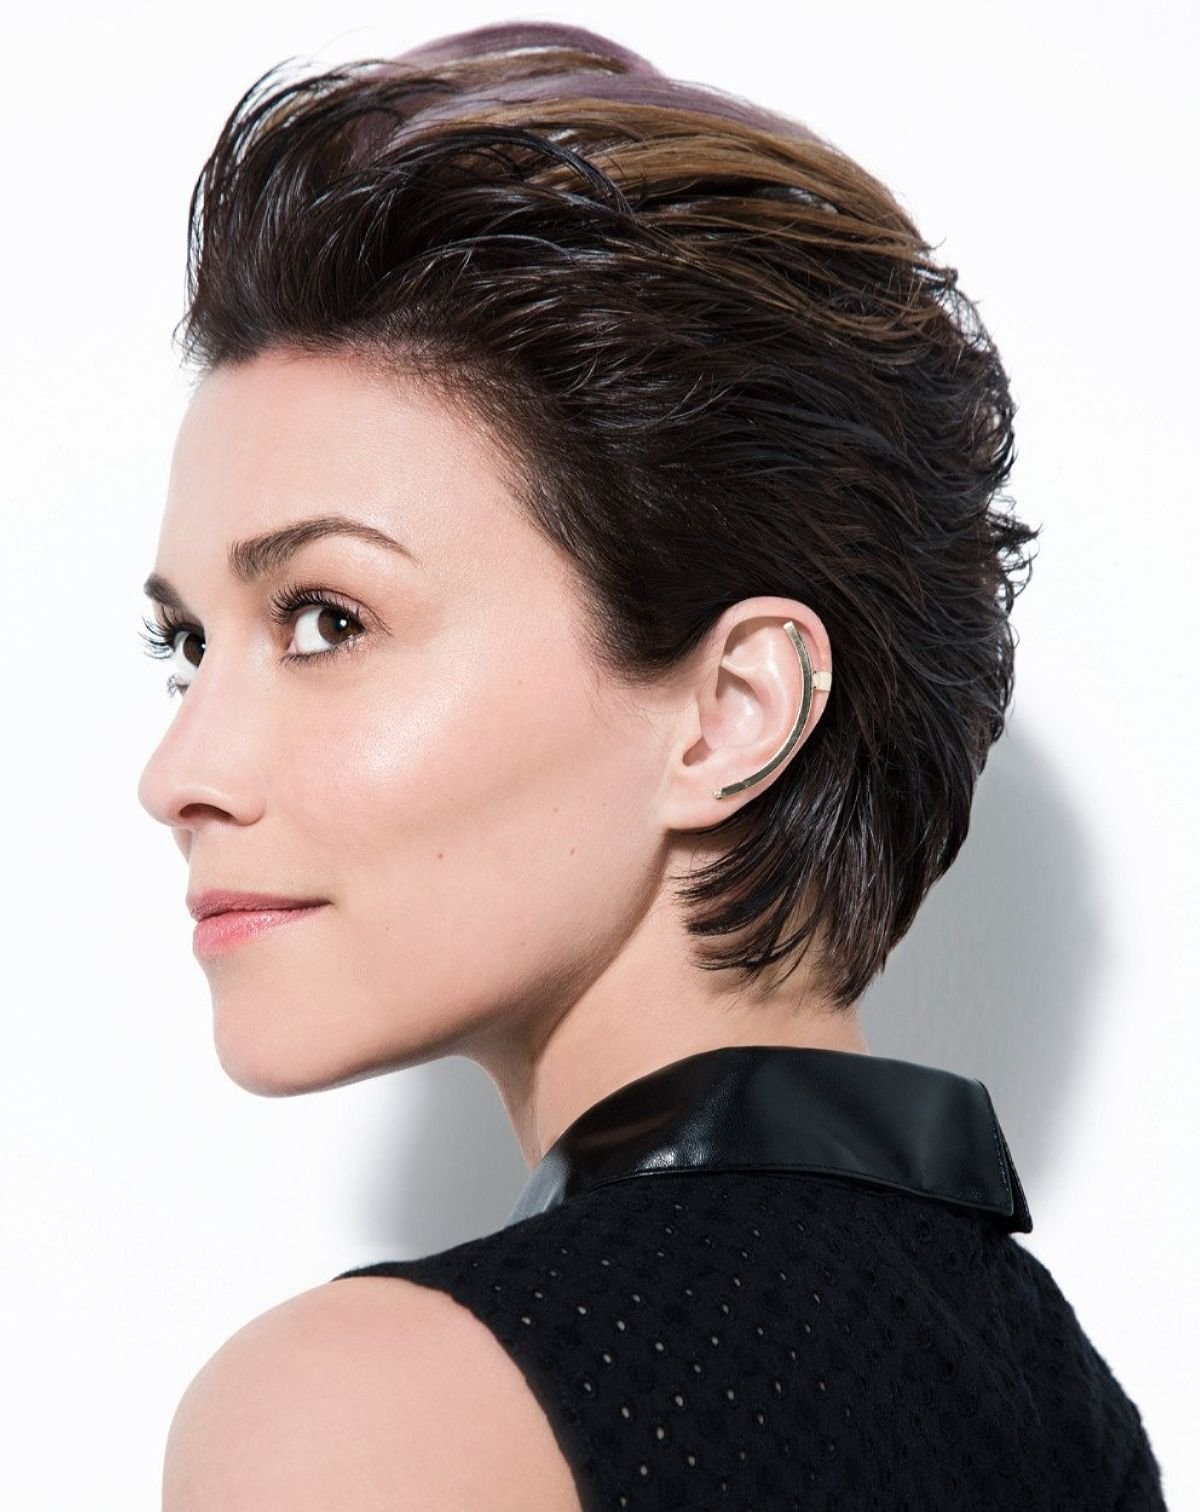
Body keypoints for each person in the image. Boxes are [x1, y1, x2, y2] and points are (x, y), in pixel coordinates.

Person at [137, 20, 1167, 1510]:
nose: (178, 772)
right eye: (185, 645)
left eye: (327, 619)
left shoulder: (370, 1414)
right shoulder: (1066, 1408)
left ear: (731, 708)